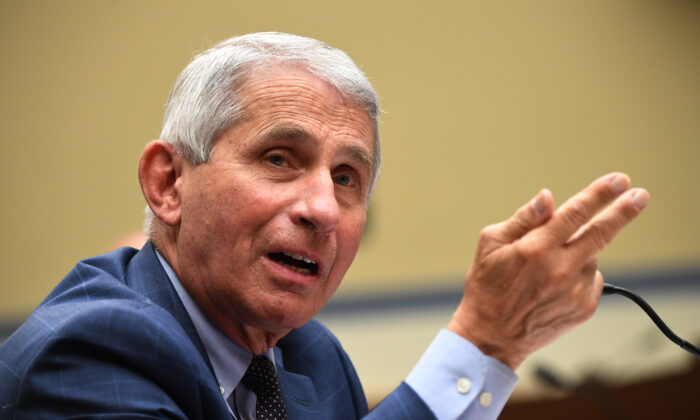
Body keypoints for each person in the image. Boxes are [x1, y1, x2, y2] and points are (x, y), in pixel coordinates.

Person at [0, 32, 649, 419]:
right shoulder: (89, 351)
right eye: (279, 159)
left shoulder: (311, 360)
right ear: (169, 183)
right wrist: (481, 345)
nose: (323, 209)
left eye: (346, 178)